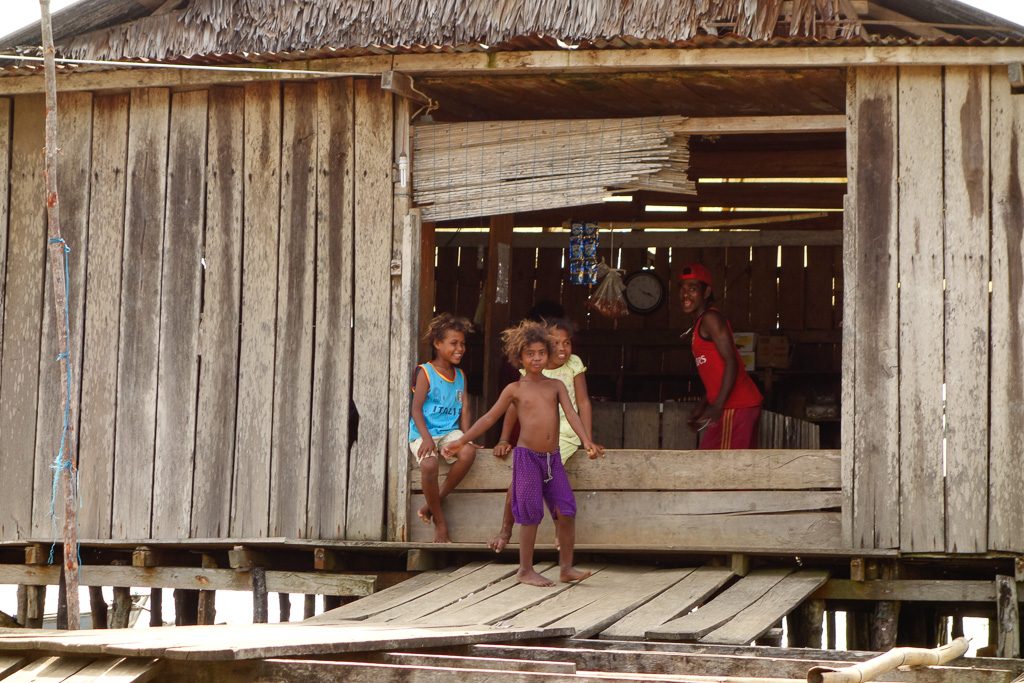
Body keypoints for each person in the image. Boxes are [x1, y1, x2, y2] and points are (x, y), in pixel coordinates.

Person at [443, 320, 603, 586]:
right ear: (520, 357)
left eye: (541, 352)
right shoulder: (515, 389)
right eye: (530, 354)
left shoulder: (556, 387)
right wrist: (463, 440)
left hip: (553, 460)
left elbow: (573, 414)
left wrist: (586, 440)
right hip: (528, 458)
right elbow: (488, 418)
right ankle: (525, 570)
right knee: (529, 513)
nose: (537, 358)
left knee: (566, 510)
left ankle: (566, 567)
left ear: (548, 354)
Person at [488, 317, 593, 553]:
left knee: (548, 481)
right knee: (524, 481)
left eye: (566, 343)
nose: (561, 349)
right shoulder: (532, 370)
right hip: (536, 442)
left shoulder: (573, 365)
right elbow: (511, 407)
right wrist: (505, 438)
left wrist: (587, 439)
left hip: (566, 434)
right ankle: (506, 529)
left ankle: (559, 530)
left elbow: (583, 403)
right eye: (555, 343)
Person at [409, 313, 477, 543]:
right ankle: (440, 522)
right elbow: (416, 409)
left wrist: (467, 436)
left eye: (463, 344)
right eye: (454, 343)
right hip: (424, 432)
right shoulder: (425, 372)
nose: (460, 348)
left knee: (468, 451)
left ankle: (431, 504)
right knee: (429, 465)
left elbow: (465, 408)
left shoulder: (460, 375)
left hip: (449, 432)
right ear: (438, 344)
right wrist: (427, 438)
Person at [679, 263, 763, 449]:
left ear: (706, 292)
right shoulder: (701, 323)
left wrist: (717, 406)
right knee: (718, 467)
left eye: (693, 289)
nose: (685, 294)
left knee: (723, 469)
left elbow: (731, 361)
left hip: (736, 405)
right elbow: (716, 374)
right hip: (732, 405)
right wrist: (703, 405)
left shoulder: (710, 319)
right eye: (683, 289)